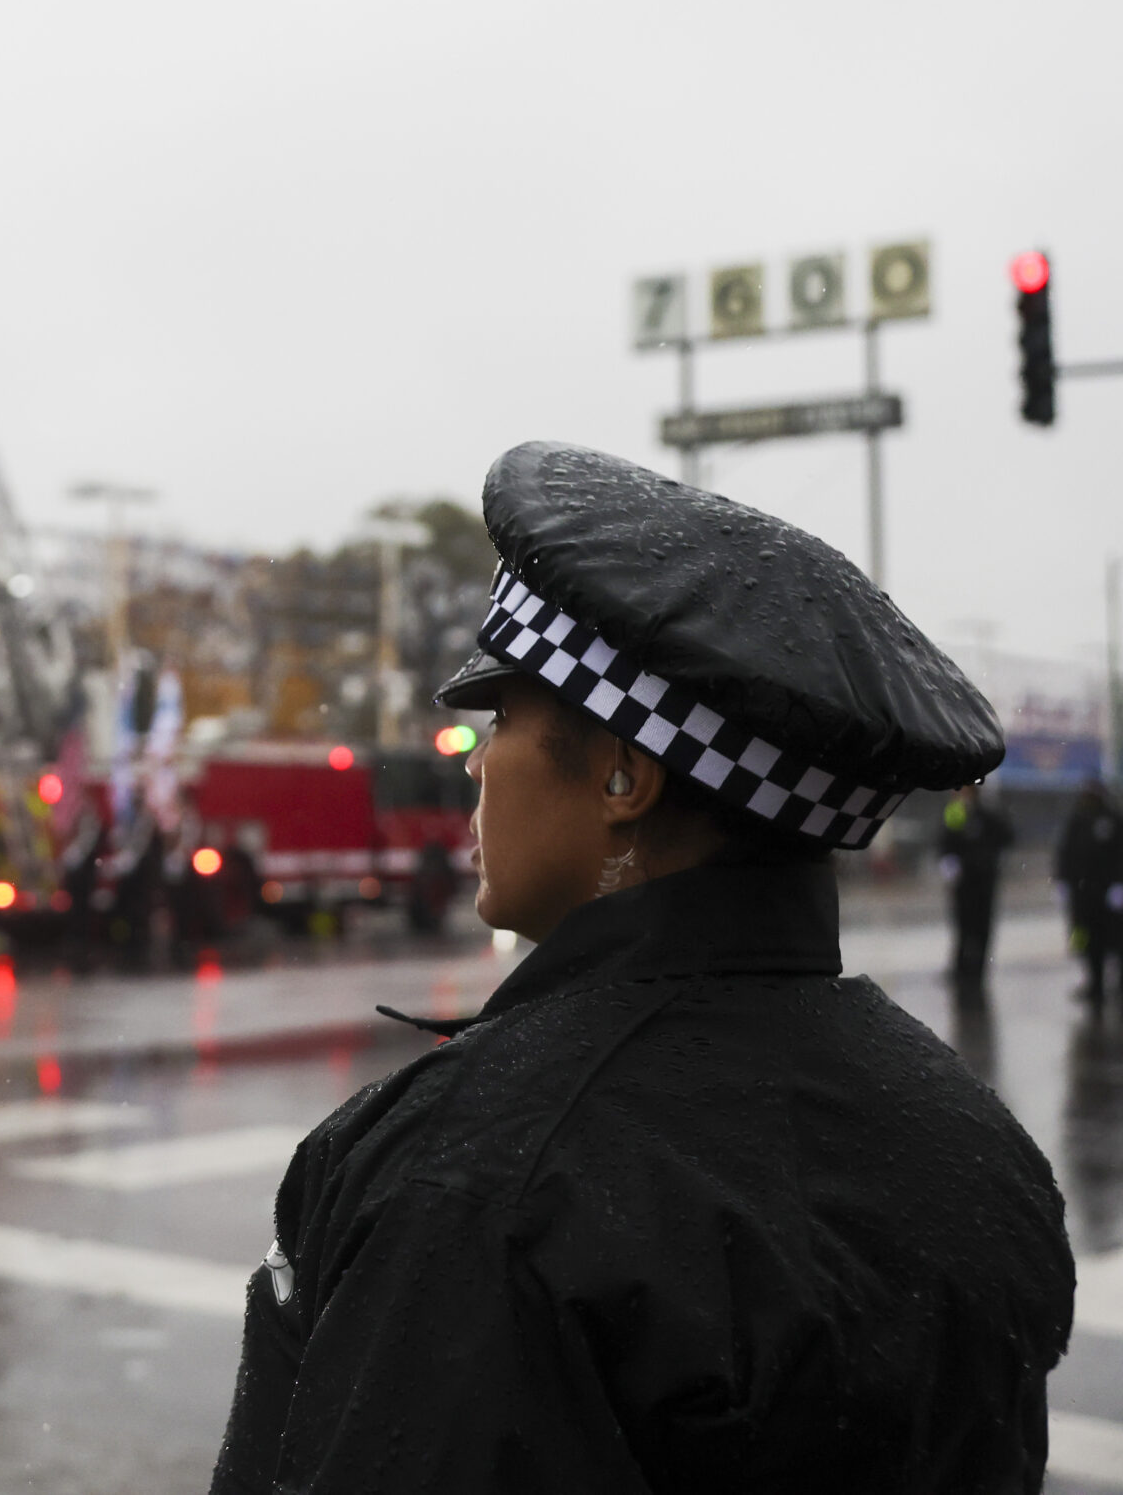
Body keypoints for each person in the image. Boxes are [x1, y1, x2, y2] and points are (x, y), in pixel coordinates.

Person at [210, 441, 1072, 1495]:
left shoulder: (474, 1178)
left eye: (503, 719)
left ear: (623, 774)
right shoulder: (972, 1142)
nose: (479, 763)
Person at [939, 781, 1017, 994]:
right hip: (964, 882)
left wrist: (991, 858)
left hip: (984, 881)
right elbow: (947, 838)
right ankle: (961, 969)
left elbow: (1007, 836)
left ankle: (978, 972)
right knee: (963, 926)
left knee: (982, 927)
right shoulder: (956, 812)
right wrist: (948, 860)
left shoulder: (988, 814)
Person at [1059, 778, 1123, 1004]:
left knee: (1114, 940)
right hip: (1083, 894)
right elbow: (1065, 852)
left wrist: (1118, 883)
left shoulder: (1113, 819)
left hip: (1108, 894)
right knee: (1084, 939)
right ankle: (1094, 983)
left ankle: (1116, 983)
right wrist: (1063, 881)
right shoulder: (1078, 819)